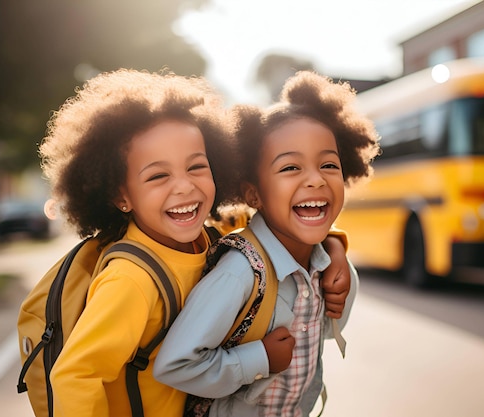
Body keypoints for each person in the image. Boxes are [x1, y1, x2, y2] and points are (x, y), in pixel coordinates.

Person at [40, 68, 352, 417]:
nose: (184, 187)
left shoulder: (206, 232)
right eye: (158, 175)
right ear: (120, 194)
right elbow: (75, 375)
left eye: (196, 167)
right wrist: (258, 358)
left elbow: (284, 223)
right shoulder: (130, 281)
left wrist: (335, 247)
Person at [154, 71, 380, 417]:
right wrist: (258, 359)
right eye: (290, 167)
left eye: (329, 165)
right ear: (253, 193)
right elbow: (175, 365)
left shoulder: (323, 265)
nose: (316, 179)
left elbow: (333, 332)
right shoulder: (240, 273)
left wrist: (337, 255)